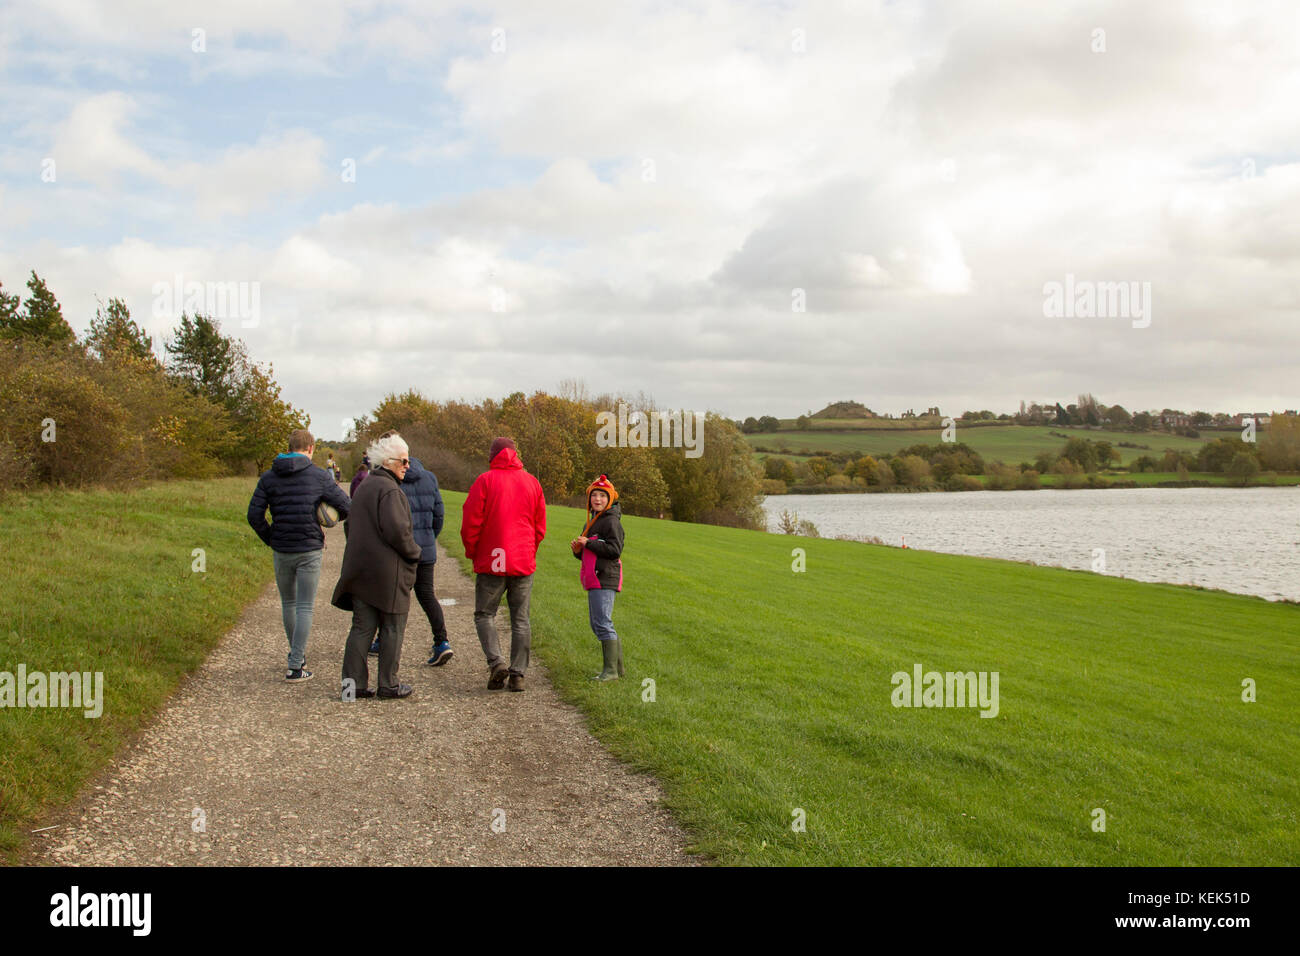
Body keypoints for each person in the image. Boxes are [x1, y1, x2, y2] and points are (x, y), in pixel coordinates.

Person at [247, 428, 351, 682]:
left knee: (289, 604)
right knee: (304, 606)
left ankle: (297, 657)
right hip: (309, 549)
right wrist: (328, 519)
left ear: (289, 446)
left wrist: (271, 537)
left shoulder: (268, 477)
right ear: (311, 448)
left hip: (282, 549)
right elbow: (346, 506)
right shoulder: (318, 476)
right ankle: (295, 665)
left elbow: (253, 515)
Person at [331, 432, 422, 699]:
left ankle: (352, 686)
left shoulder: (366, 486)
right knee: (393, 626)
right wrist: (414, 553)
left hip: (361, 571)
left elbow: (349, 525)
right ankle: (388, 684)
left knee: (361, 628)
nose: (408, 466)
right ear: (390, 461)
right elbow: (398, 532)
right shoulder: (390, 491)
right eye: (404, 461)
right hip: (387, 575)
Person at [461, 437, 546, 692]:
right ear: (515, 454)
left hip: (493, 559)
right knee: (521, 618)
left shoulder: (485, 481)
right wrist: (529, 551)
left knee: (485, 614)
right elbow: (539, 527)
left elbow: (471, 522)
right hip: (522, 559)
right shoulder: (532, 482)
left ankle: (497, 662)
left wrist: (473, 551)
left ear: (493, 455)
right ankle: (518, 673)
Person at [571, 475, 625, 681]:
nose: (598, 499)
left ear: (610, 499)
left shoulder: (611, 521)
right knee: (598, 623)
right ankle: (617, 669)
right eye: (594, 495)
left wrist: (588, 544)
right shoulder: (593, 520)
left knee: (602, 622)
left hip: (605, 577)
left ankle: (610, 671)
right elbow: (588, 551)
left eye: (603, 495)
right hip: (594, 577)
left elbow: (614, 549)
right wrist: (578, 550)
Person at [400, 456, 453, 666]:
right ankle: (442, 641)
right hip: (425, 549)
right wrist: (430, 538)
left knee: (394, 597)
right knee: (427, 596)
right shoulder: (429, 478)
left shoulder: (392, 480)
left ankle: (382, 640)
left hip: (401, 550)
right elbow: (439, 515)